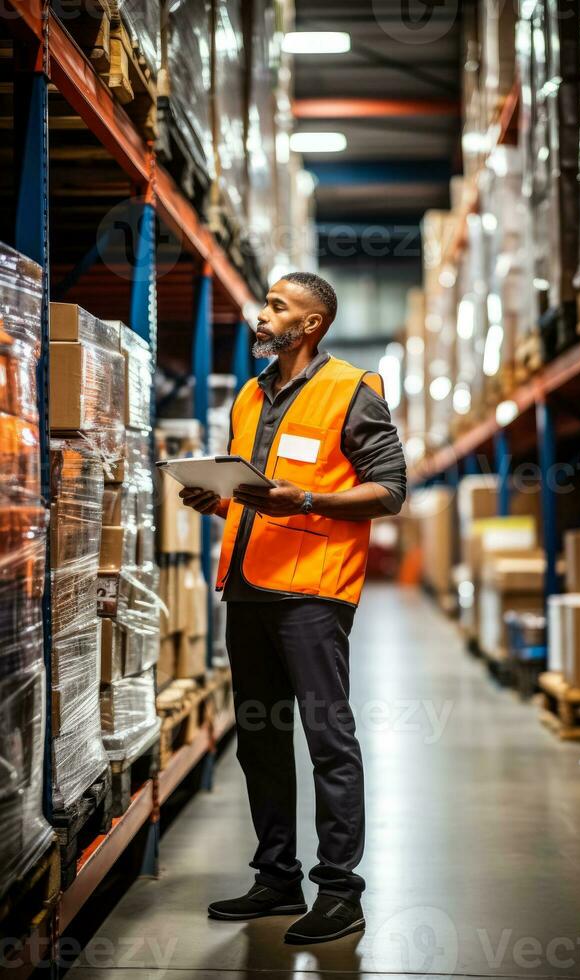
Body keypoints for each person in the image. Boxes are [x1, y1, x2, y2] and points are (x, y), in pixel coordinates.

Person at [180, 271, 406, 945]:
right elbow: (255, 490)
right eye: (267, 303)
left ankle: (340, 891)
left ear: (310, 325)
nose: (264, 313)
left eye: (278, 307)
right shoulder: (250, 397)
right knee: (261, 738)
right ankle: (277, 875)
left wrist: (305, 501)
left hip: (312, 591)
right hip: (247, 587)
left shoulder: (353, 389)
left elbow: (389, 490)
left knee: (328, 741)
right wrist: (215, 497)